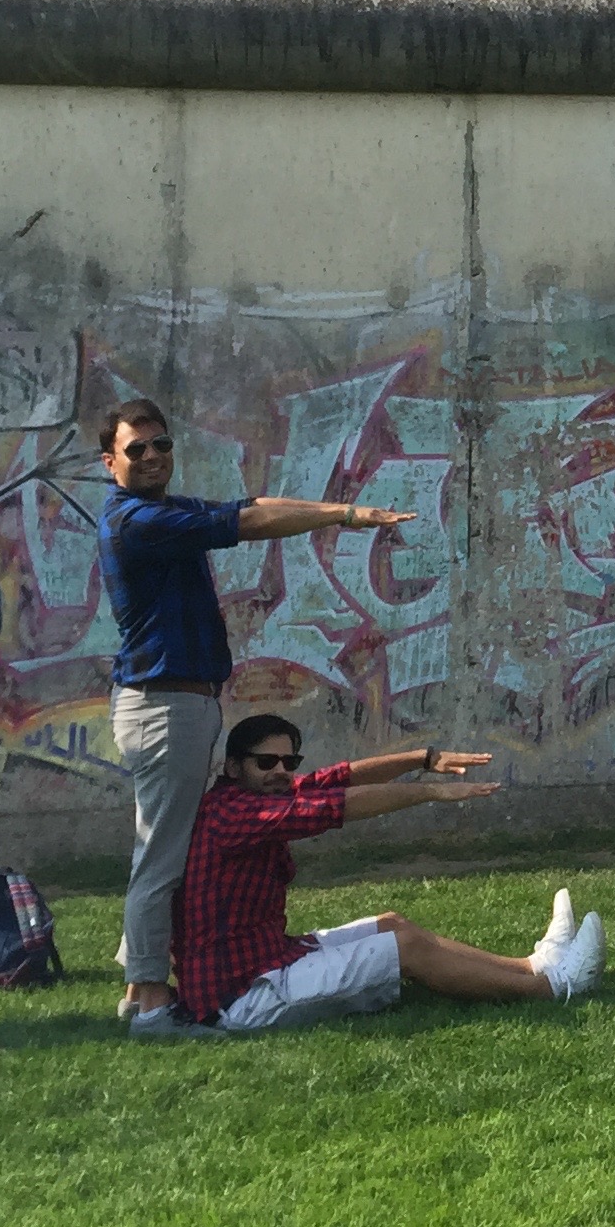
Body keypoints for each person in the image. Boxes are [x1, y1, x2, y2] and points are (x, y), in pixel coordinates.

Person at [99, 399, 418, 1036]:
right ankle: (151, 1005)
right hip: (164, 704)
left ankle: (143, 987)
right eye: (137, 450)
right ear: (110, 463)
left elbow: (247, 506)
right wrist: (346, 514)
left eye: (161, 444)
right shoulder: (138, 521)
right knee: (162, 857)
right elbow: (252, 516)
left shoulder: (164, 511)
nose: (153, 456)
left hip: (179, 701)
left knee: (168, 847)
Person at [166, 714, 601, 1034]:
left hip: (269, 959)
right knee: (404, 947)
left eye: (288, 761)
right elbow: (333, 807)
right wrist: (428, 792)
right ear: (233, 768)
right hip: (242, 998)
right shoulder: (235, 813)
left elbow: (335, 780)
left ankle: (533, 965)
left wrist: (426, 758)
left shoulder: (250, 798)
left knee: (391, 924)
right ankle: (556, 988)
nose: (281, 771)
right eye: (266, 762)